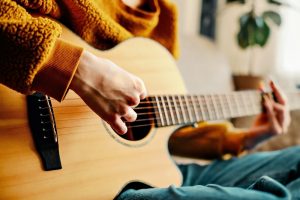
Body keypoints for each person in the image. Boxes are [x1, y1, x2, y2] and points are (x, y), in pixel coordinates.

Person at [0, 0, 298, 199]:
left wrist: (246, 139)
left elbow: (154, 132)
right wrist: (80, 70)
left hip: (140, 177)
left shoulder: (164, 15)